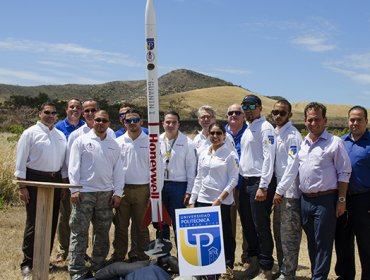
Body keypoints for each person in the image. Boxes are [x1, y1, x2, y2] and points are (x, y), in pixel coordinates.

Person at [68, 110, 124, 280]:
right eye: (97, 120)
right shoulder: (81, 141)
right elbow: (73, 167)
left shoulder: (114, 144)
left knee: (102, 233)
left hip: (105, 195)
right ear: (93, 121)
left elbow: (119, 171)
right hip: (84, 193)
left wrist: (118, 193)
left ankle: (98, 266)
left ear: (109, 123)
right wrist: (74, 189)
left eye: (104, 120)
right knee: (79, 232)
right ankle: (76, 270)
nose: (100, 123)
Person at [298, 102, 351, 280]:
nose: (313, 123)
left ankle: (318, 277)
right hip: (305, 200)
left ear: (325, 120)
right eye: (310, 120)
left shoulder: (334, 143)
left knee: (323, 243)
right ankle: (316, 274)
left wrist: (341, 200)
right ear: (305, 121)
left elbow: (344, 172)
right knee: (312, 243)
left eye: (317, 119)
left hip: (326, 200)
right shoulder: (303, 143)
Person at [14, 102, 67, 277]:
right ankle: (28, 262)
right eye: (47, 112)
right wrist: (22, 186)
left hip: (55, 181)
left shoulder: (60, 135)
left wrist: (65, 185)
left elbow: (64, 164)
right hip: (34, 179)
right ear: (39, 114)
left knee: (51, 222)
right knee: (33, 222)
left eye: (53, 113)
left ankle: (43, 260)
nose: (51, 115)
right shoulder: (30, 133)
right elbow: (21, 162)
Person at [189, 122, 239, 279]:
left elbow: (233, 179)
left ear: (224, 135)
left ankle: (227, 267)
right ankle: (205, 269)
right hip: (203, 200)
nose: (215, 136)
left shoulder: (230, 154)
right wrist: (192, 200)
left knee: (224, 235)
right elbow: (199, 177)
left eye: (218, 133)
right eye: (212, 133)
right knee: (205, 236)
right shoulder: (204, 152)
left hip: (221, 202)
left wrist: (220, 198)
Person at [238, 94, 276, 279]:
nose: (248, 109)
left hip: (258, 183)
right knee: (248, 225)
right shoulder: (248, 128)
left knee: (261, 225)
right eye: (245, 106)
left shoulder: (266, 128)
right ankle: (254, 263)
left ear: (260, 107)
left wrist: (263, 186)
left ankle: (266, 268)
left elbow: (269, 157)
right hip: (245, 183)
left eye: (252, 105)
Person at [335, 105, 370, 280]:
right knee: (342, 241)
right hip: (342, 199)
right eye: (352, 119)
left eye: (359, 119)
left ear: (366, 121)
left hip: (364, 200)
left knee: (366, 243)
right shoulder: (340, 142)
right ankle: (345, 276)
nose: (355, 123)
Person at [112, 109, 150, 262]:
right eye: (128, 121)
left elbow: (156, 169)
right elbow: (114, 168)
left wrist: (154, 192)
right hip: (123, 190)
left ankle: (142, 256)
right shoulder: (118, 142)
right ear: (124, 123)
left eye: (135, 120)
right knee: (121, 226)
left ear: (141, 121)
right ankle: (119, 256)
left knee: (141, 226)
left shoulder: (150, 142)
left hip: (142, 190)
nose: (132, 123)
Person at [271, 99, 302, 280]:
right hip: (279, 192)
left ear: (289, 114)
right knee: (279, 233)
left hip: (289, 193)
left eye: (282, 113)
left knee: (289, 235)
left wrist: (280, 190)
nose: (278, 116)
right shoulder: (275, 132)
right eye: (275, 112)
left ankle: (288, 273)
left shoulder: (292, 135)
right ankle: (283, 268)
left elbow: (293, 166)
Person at [54, 98, 85, 263]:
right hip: (65, 179)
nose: (75, 109)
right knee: (65, 216)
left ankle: (81, 250)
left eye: (78, 107)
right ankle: (63, 250)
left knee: (81, 217)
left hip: (84, 181)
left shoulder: (86, 127)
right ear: (66, 110)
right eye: (71, 107)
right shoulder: (58, 129)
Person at [159, 111, 197, 244]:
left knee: (178, 223)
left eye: (174, 122)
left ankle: (182, 259)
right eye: (167, 122)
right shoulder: (156, 141)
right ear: (163, 123)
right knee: (161, 222)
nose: (170, 125)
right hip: (160, 186)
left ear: (178, 124)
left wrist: (188, 191)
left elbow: (191, 169)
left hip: (179, 186)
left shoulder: (188, 142)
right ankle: (163, 258)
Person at [225, 103, 249, 265]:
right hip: (226, 187)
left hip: (246, 184)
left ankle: (248, 256)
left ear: (243, 116)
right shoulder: (220, 133)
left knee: (248, 223)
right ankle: (228, 259)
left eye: (237, 113)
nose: (234, 115)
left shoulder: (251, 132)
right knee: (228, 224)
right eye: (230, 113)